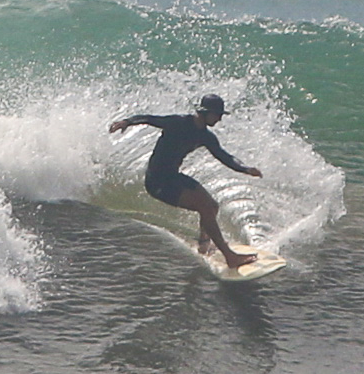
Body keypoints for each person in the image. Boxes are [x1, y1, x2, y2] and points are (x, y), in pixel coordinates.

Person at [109, 94, 263, 269]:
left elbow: (224, 156)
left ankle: (204, 244)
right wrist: (127, 122)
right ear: (205, 112)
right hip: (157, 181)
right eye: (217, 115)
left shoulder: (206, 136)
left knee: (212, 207)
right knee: (205, 206)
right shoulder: (178, 122)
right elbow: (149, 119)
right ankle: (230, 257)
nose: (220, 119)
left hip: (172, 177)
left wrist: (245, 168)